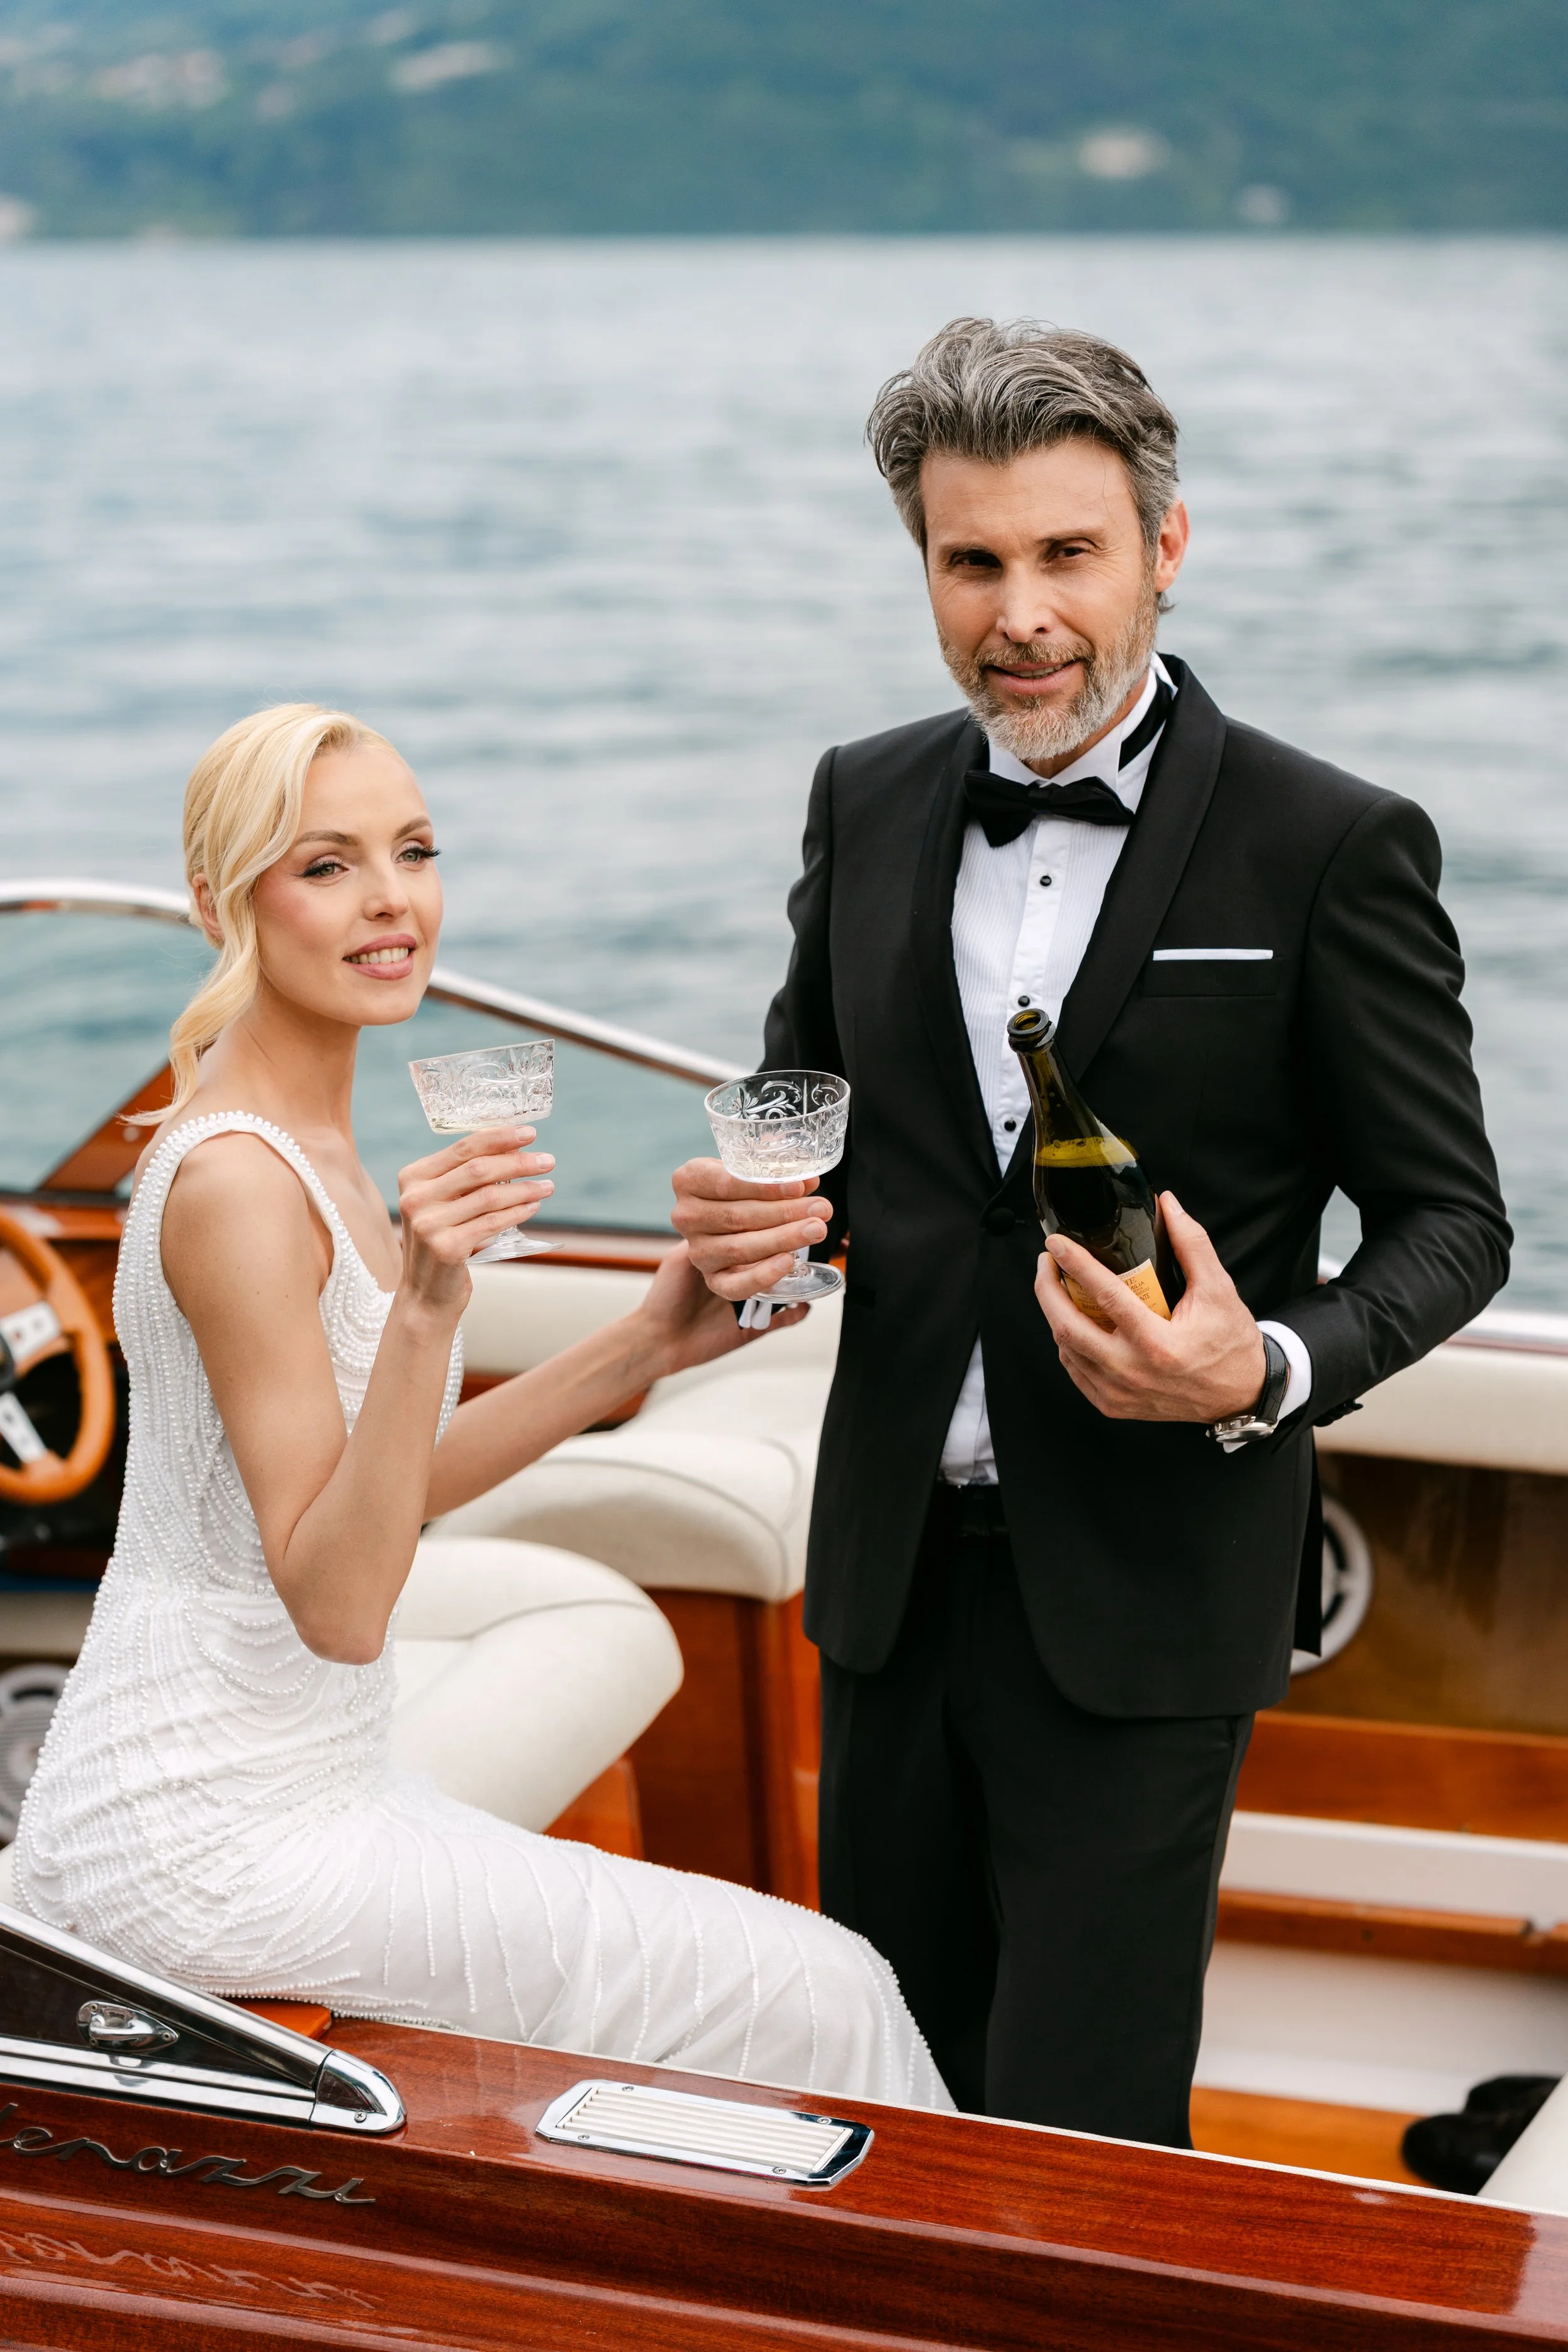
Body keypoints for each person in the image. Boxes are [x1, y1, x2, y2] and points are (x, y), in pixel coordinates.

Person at [672, 317, 1511, 2146]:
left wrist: (1265, 1361)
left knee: (1082, 2126)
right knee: (878, 2088)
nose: (1018, 612)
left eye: (1066, 554)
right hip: (889, 1574)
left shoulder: (1330, 842)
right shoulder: (865, 792)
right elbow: (805, 1112)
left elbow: (1452, 1218)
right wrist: (754, 1215)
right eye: (971, 561)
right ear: (924, 564)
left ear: (1163, 545)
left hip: (1149, 1580)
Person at [12, 701, 950, 2114]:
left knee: (804, 1992)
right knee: (828, 1990)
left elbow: (384, 1494)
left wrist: (641, 1343)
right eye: (325, 866)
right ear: (221, 902)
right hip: (208, 1832)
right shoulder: (236, 1189)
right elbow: (339, 1600)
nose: (391, 899)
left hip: (304, 1783)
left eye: (415, 850)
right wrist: (436, 1307)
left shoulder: (316, 1139)